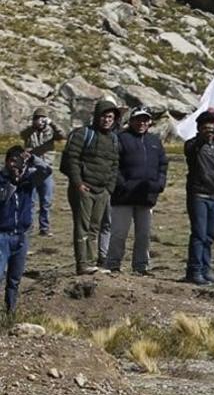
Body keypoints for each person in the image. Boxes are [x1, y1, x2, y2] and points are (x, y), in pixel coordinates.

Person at [61, 99, 121, 276]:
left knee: (94, 227)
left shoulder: (114, 139)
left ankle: (92, 263)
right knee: (82, 227)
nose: (107, 120)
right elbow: (72, 159)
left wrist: (109, 189)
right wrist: (78, 183)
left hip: (102, 191)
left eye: (110, 117)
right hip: (83, 189)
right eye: (104, 116)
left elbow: (115, 164)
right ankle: (82, 263)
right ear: (96, 116)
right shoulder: (83, 134)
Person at [107, 107, 168, 275]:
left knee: (144, 234)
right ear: (131, 121)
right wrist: (123, 184)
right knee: (119, 233)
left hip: (147, 195)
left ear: (149, 122)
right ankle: (113, 265)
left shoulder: (154, 141)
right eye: (138, 120)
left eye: (145, 120)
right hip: (123, 197)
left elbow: (163, 164)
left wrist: (160, 183)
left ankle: (141, 266)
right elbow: (113, 165)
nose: (142, 123)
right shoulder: (121, 139)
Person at [0, 147, 51, 312]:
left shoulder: (29, 180)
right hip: (2, 235)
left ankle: (11, 312)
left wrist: (33, 158)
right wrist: (12, 182)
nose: (15, 164)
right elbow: (3, 198)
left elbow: (47, 170)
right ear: (6, 161)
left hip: (21, 236)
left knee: (15, 279)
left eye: (19, 161)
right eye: (12, 161)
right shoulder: (1, 179)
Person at [183, 111, 214, 286]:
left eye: (212, 128)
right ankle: (194, 270)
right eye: (205, 128)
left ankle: (205, 267)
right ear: (199, 129)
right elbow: (192, 151)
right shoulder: (193, 145)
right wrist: (203, 138)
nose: (210, 131)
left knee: (209, 236)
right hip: (198, 194)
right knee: (199, 234)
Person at [20, 108, 65, 236]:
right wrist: (33, 126)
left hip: (46, 169)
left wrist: (51, 124)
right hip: (31, 169)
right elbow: (22, 134)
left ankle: (44, 228)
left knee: (46, 201)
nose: (40, 120)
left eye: (42, 118)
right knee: (31, 201)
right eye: (37, 118)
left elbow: (62, 135)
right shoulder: (29, 132)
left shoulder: (50, 132)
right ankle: (29, 227)